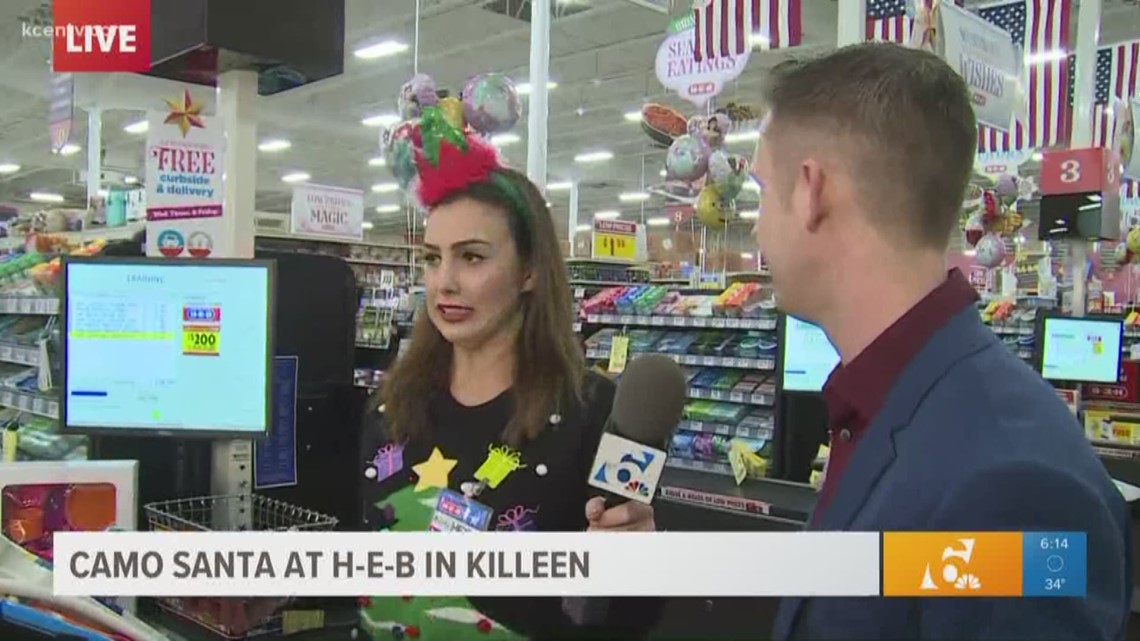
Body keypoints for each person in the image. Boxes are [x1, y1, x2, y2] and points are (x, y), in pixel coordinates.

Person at [751, 43, 1132, 641]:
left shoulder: (1010, 492)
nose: (755, 226)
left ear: (810, 190)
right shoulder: (894, 409)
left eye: (760, 194)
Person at [357, 107, 660, 641]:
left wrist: (641, 556)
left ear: (529, 271)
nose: (444, 282)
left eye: (472, 258)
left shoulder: (599, 415)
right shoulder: (390, 404)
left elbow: (634, 611)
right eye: (432, 259)